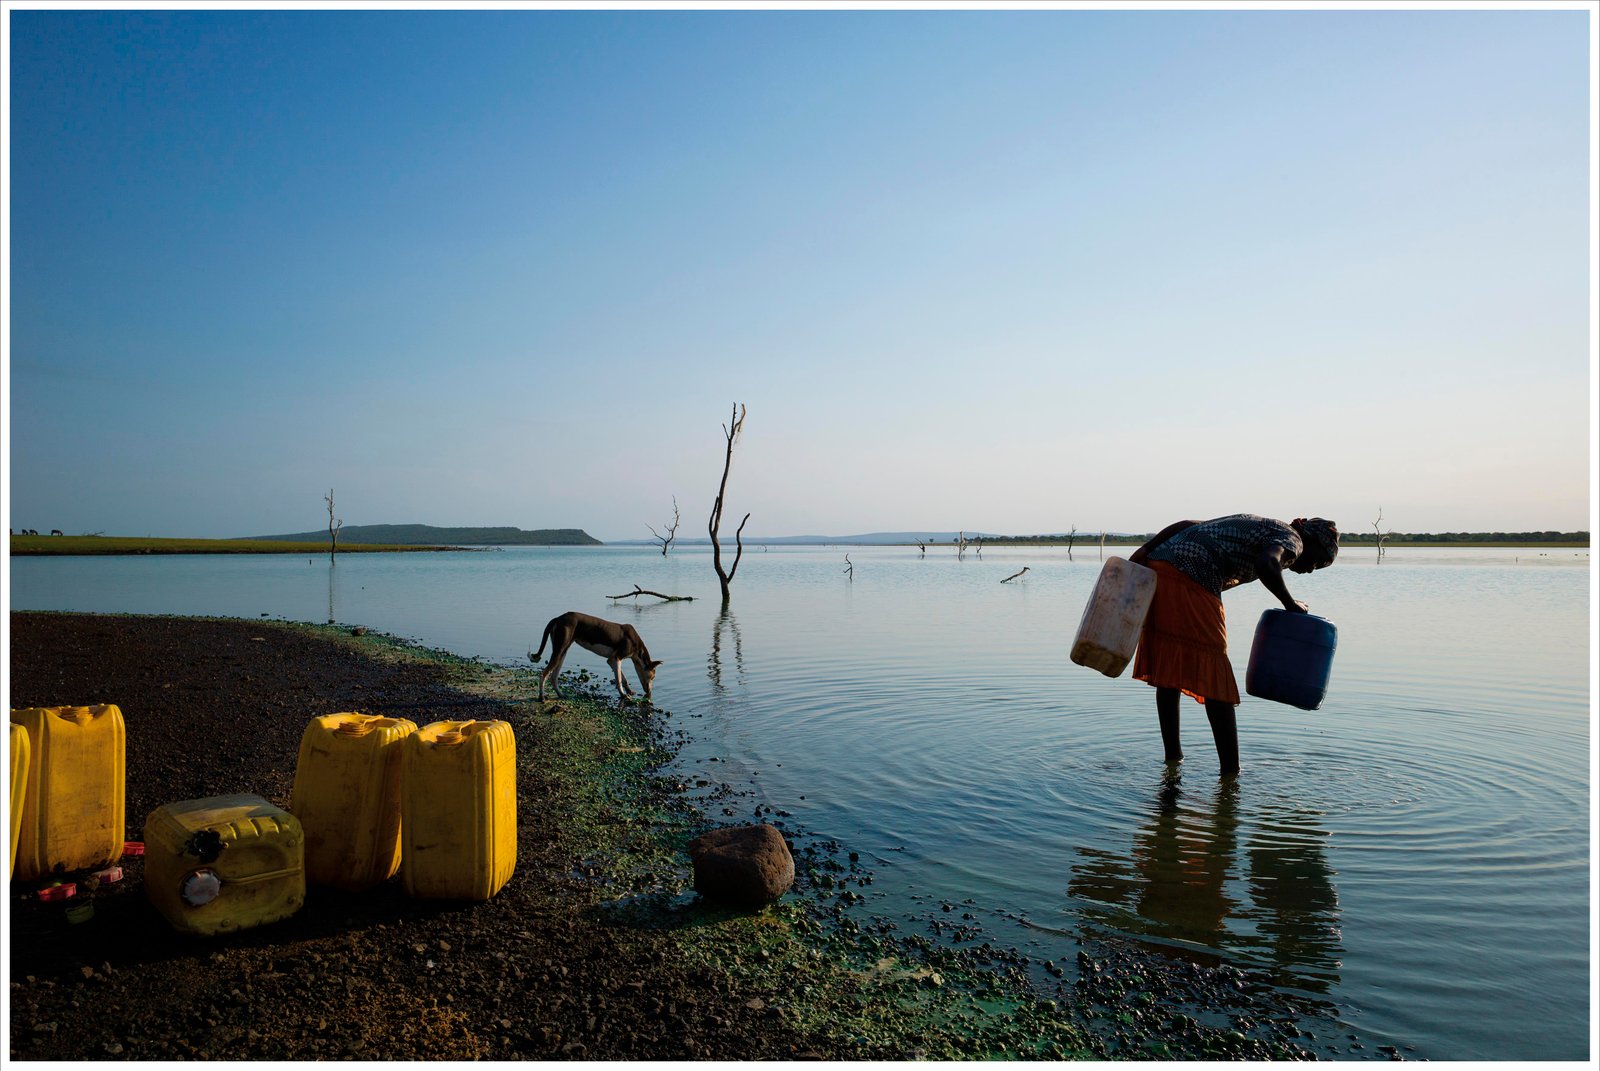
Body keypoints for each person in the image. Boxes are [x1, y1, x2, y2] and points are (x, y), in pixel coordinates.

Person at [1127, 514, 1339, 776]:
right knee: (1215, 670)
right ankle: (1231, 773)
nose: (1312, 569)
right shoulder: (1293, 539)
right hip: (1192, 574)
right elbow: (1267, 563)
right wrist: (1290, 604)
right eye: (1319, 561)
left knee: (1170, 667)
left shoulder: (1268, 527)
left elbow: (1189, 525)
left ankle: (1173, 759)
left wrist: (1145, 550)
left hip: (1159, 567)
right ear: (1311, 541)